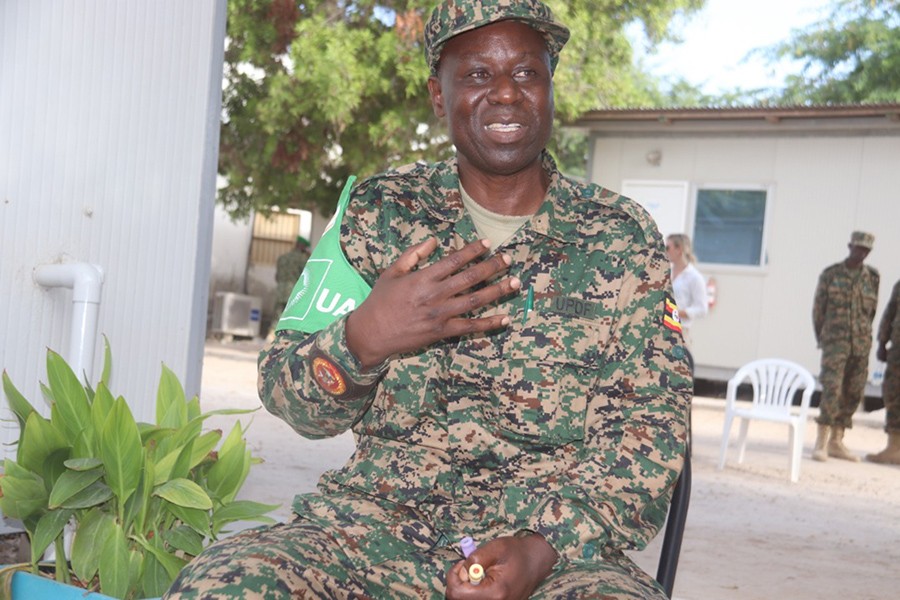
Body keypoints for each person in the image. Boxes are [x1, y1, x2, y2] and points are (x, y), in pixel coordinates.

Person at [165, 1, 691, 598]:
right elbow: (288, 398)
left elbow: (651, 435)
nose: (506, 93)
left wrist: (542, 547)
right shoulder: (379, 212)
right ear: (439, 96)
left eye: (526, 72)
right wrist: (364, 337)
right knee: (223, 587)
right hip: (368, 534)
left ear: (550, 86)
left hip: (555, 556)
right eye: (477, 74)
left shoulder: (620, 236)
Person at [811, 230, 879, 462]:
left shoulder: (872, 277)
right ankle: (821, 442)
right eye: (858, 248)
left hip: (860, 344)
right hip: (835, 343)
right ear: (850, 246)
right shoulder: (831, 275)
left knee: (854, 390)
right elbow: (818, 311)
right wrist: (824, 338)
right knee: (832, 389)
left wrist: (864, 336)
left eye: (866, 250)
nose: (861, 253)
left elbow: (870, 313)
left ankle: (836, 441)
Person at [867, 278, 900, 464]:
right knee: (894, 394)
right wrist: (882, 342)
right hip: (898, 352)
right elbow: (890, 313)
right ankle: (894, 448)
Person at [665, 233, 708, 352]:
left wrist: (677, 312)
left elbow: (702, 309)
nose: (664, 251)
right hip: (660, 329)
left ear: (679, 249)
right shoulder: (665, 272)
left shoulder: (694, 277)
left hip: (680, 331)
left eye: (667, 247)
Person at [273, 235, 311, 321]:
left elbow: (277, 277)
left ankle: (273, 329)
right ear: (303, 247)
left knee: (277, 317)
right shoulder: (303, 259)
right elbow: (307, 276)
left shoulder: (282, 257)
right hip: (293, 291)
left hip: (280, 290)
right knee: (290, 317)